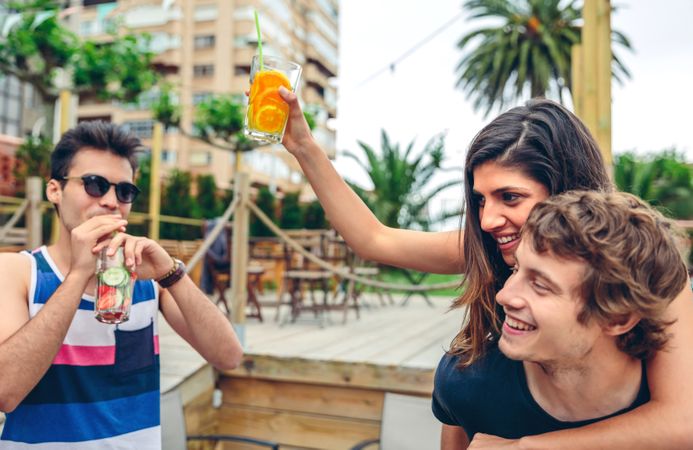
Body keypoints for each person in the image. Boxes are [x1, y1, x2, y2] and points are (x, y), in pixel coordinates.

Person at [276, 86, 693, 448]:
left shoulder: (640, 273)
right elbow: (375, 239)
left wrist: (529, 448)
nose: (488, 219)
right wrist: (304, 147)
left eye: (510, 197)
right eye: (480, 199)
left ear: (567, 190)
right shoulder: (491, 248)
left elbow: (682, 421)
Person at [0, 122, 243, 449]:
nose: (112, 201)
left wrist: (170, 273)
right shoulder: (18, 271)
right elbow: (5, 391)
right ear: (54, 190)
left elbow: (228, 356)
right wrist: (77, 276)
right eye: (95, 184)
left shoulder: (147, 281)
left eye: (125, 191)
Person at [433, 190, 689, 448]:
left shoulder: (671, 391)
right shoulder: (465, 382)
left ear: (618, 318)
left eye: (540, 285)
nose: (504, 295)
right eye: (516, 269)